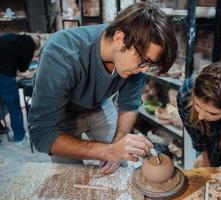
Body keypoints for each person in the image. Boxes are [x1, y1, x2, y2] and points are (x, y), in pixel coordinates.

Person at [29, 1, 177, 174]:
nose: (144, 70)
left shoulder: (137, 57)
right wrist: (107, 150)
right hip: (62, 115)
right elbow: (42, 134)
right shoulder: (61, 53)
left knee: (120, 165)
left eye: (149, 64)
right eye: (143, 61)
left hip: (99, 104)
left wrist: (118, 146)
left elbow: (129, 105)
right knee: (71, 176)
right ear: (119, 39)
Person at [0, 33, 40, 146]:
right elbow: (23, 68)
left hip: (4, 72)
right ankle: (19, 137)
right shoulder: (29, 47)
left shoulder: (14, 37)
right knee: (14, 107)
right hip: (4, 75)